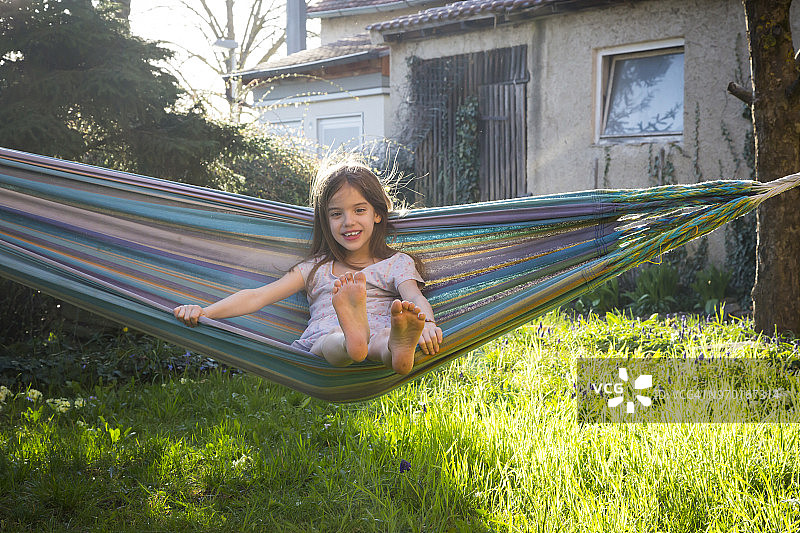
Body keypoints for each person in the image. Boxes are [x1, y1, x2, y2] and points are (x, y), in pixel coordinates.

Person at [173, 160, 443, 375]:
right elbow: (258, 296)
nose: (348, 221)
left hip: (381, 328)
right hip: (330, 335)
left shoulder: (396, 263)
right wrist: (205, 312)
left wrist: (427, 323)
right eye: (336, 214)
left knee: (384, 338)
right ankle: (356, 342)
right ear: (326, 221)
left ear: (377, 213)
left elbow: (414, 297)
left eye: (359, 210)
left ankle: (398, 351)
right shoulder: (316, 268)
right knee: (333, 340)